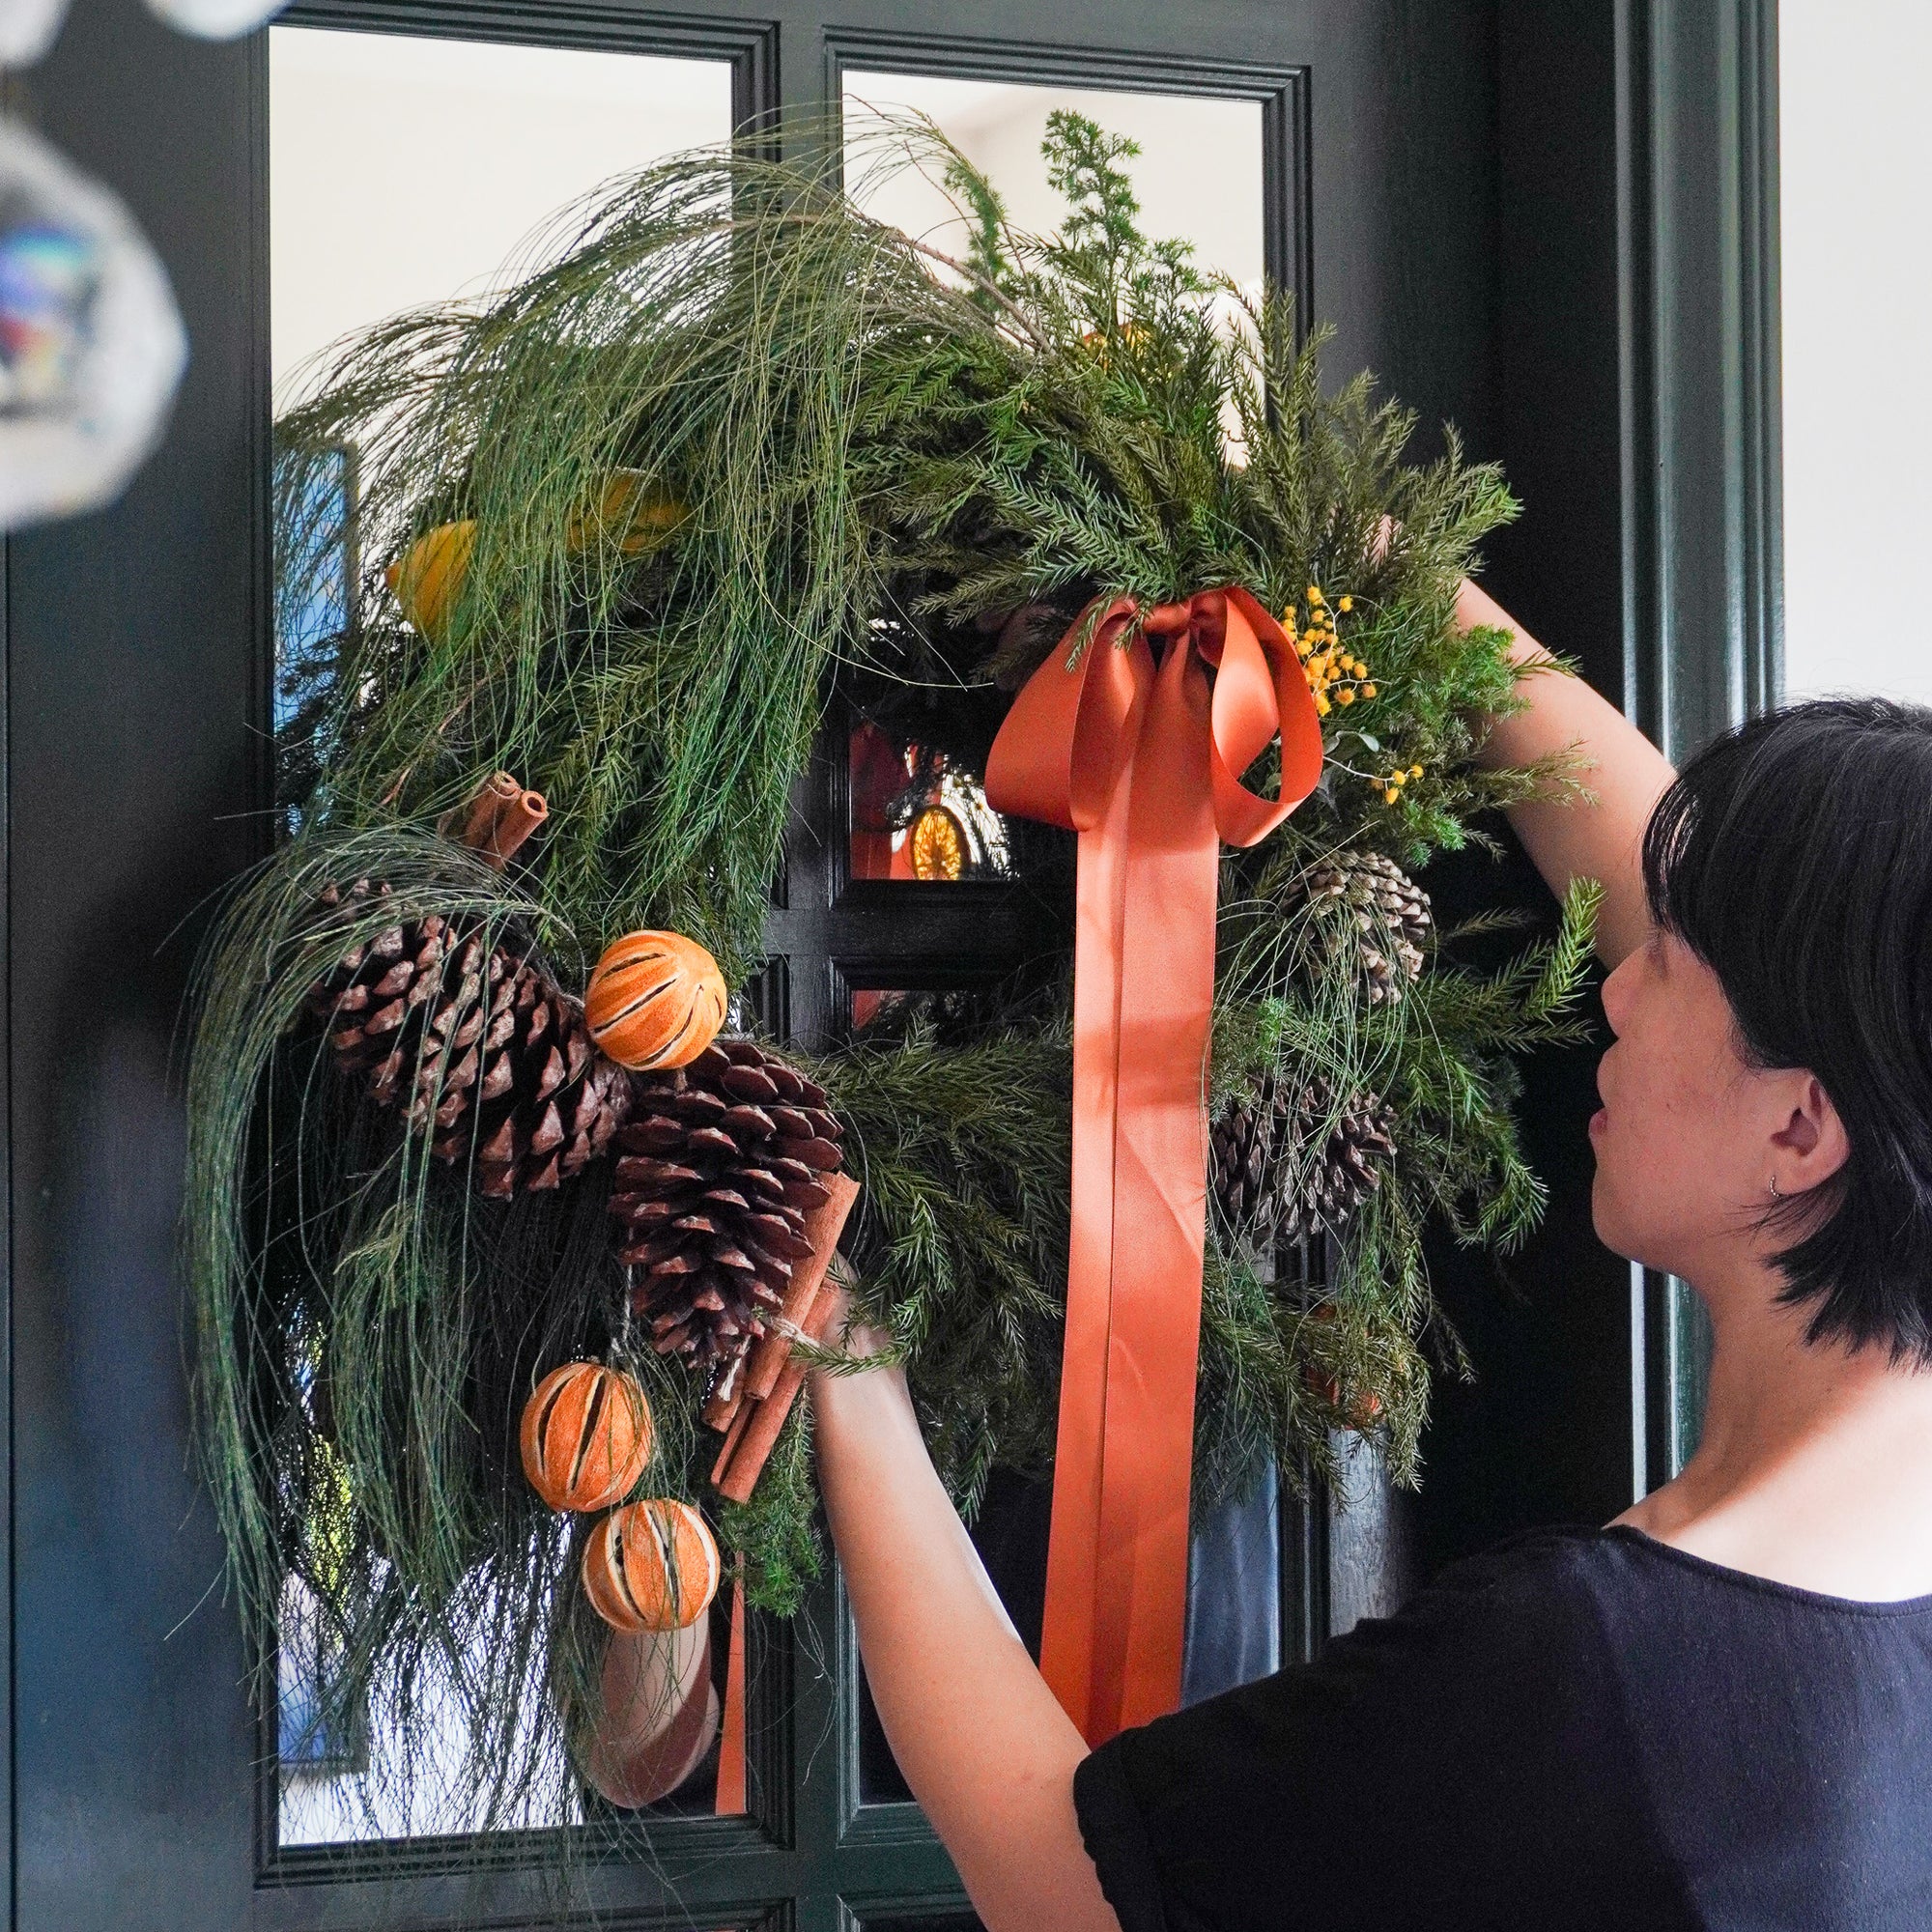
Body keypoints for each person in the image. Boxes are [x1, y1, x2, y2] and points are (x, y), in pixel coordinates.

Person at [808, 579, 1932, 1930]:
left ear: (1802, 1126)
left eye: (1675, 962)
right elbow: (1730, 916)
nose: (1616, 983)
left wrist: (846, 1351)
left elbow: (1065, 1888)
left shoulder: (1591, 1672)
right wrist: (1408, 583)